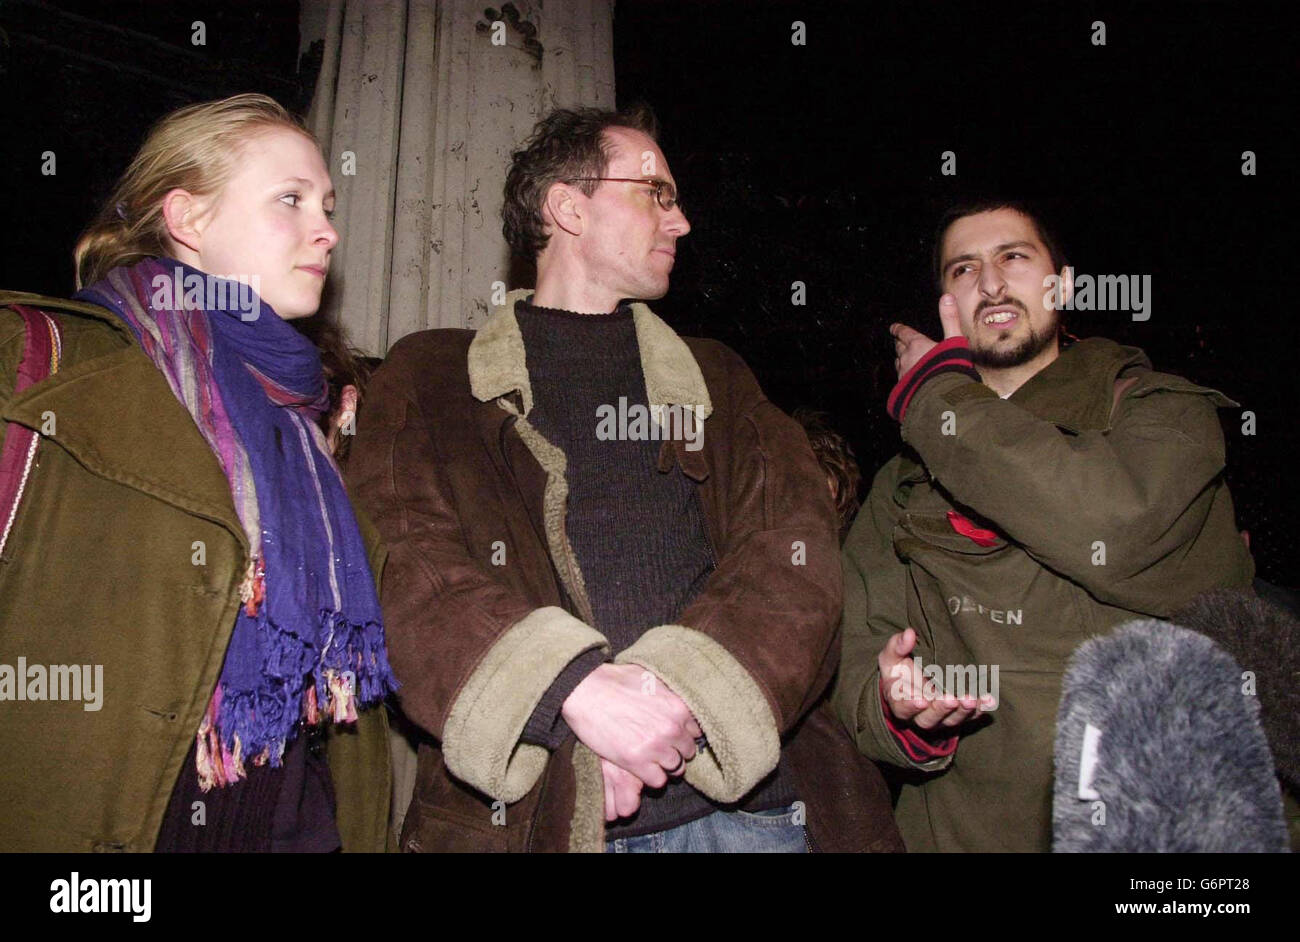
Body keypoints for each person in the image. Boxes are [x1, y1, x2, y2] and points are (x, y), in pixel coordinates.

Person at [349, 105, 900, 852]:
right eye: (656, 193)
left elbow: (793, 555)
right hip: (533, 824)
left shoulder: (718, 377)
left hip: (747, 821)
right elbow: (400, 565)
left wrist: (672, 703)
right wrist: (567, 692)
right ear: (567, 206)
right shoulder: (432, 376)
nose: (681, 222)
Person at [0, 93, 395, 852]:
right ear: (188, 218)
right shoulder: (43, 365)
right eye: (291, 200)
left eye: (328, 204)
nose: (329, 230)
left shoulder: (301, 426)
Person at [832, 199, 1255, 851]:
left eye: (1014, 258)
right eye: (964, 269)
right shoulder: (903, 480)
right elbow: (860, 652)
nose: (992, 282)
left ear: (1066, 284)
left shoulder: (1158, 410)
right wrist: (898, 710)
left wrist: (940, 399)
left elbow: (1116, 532)